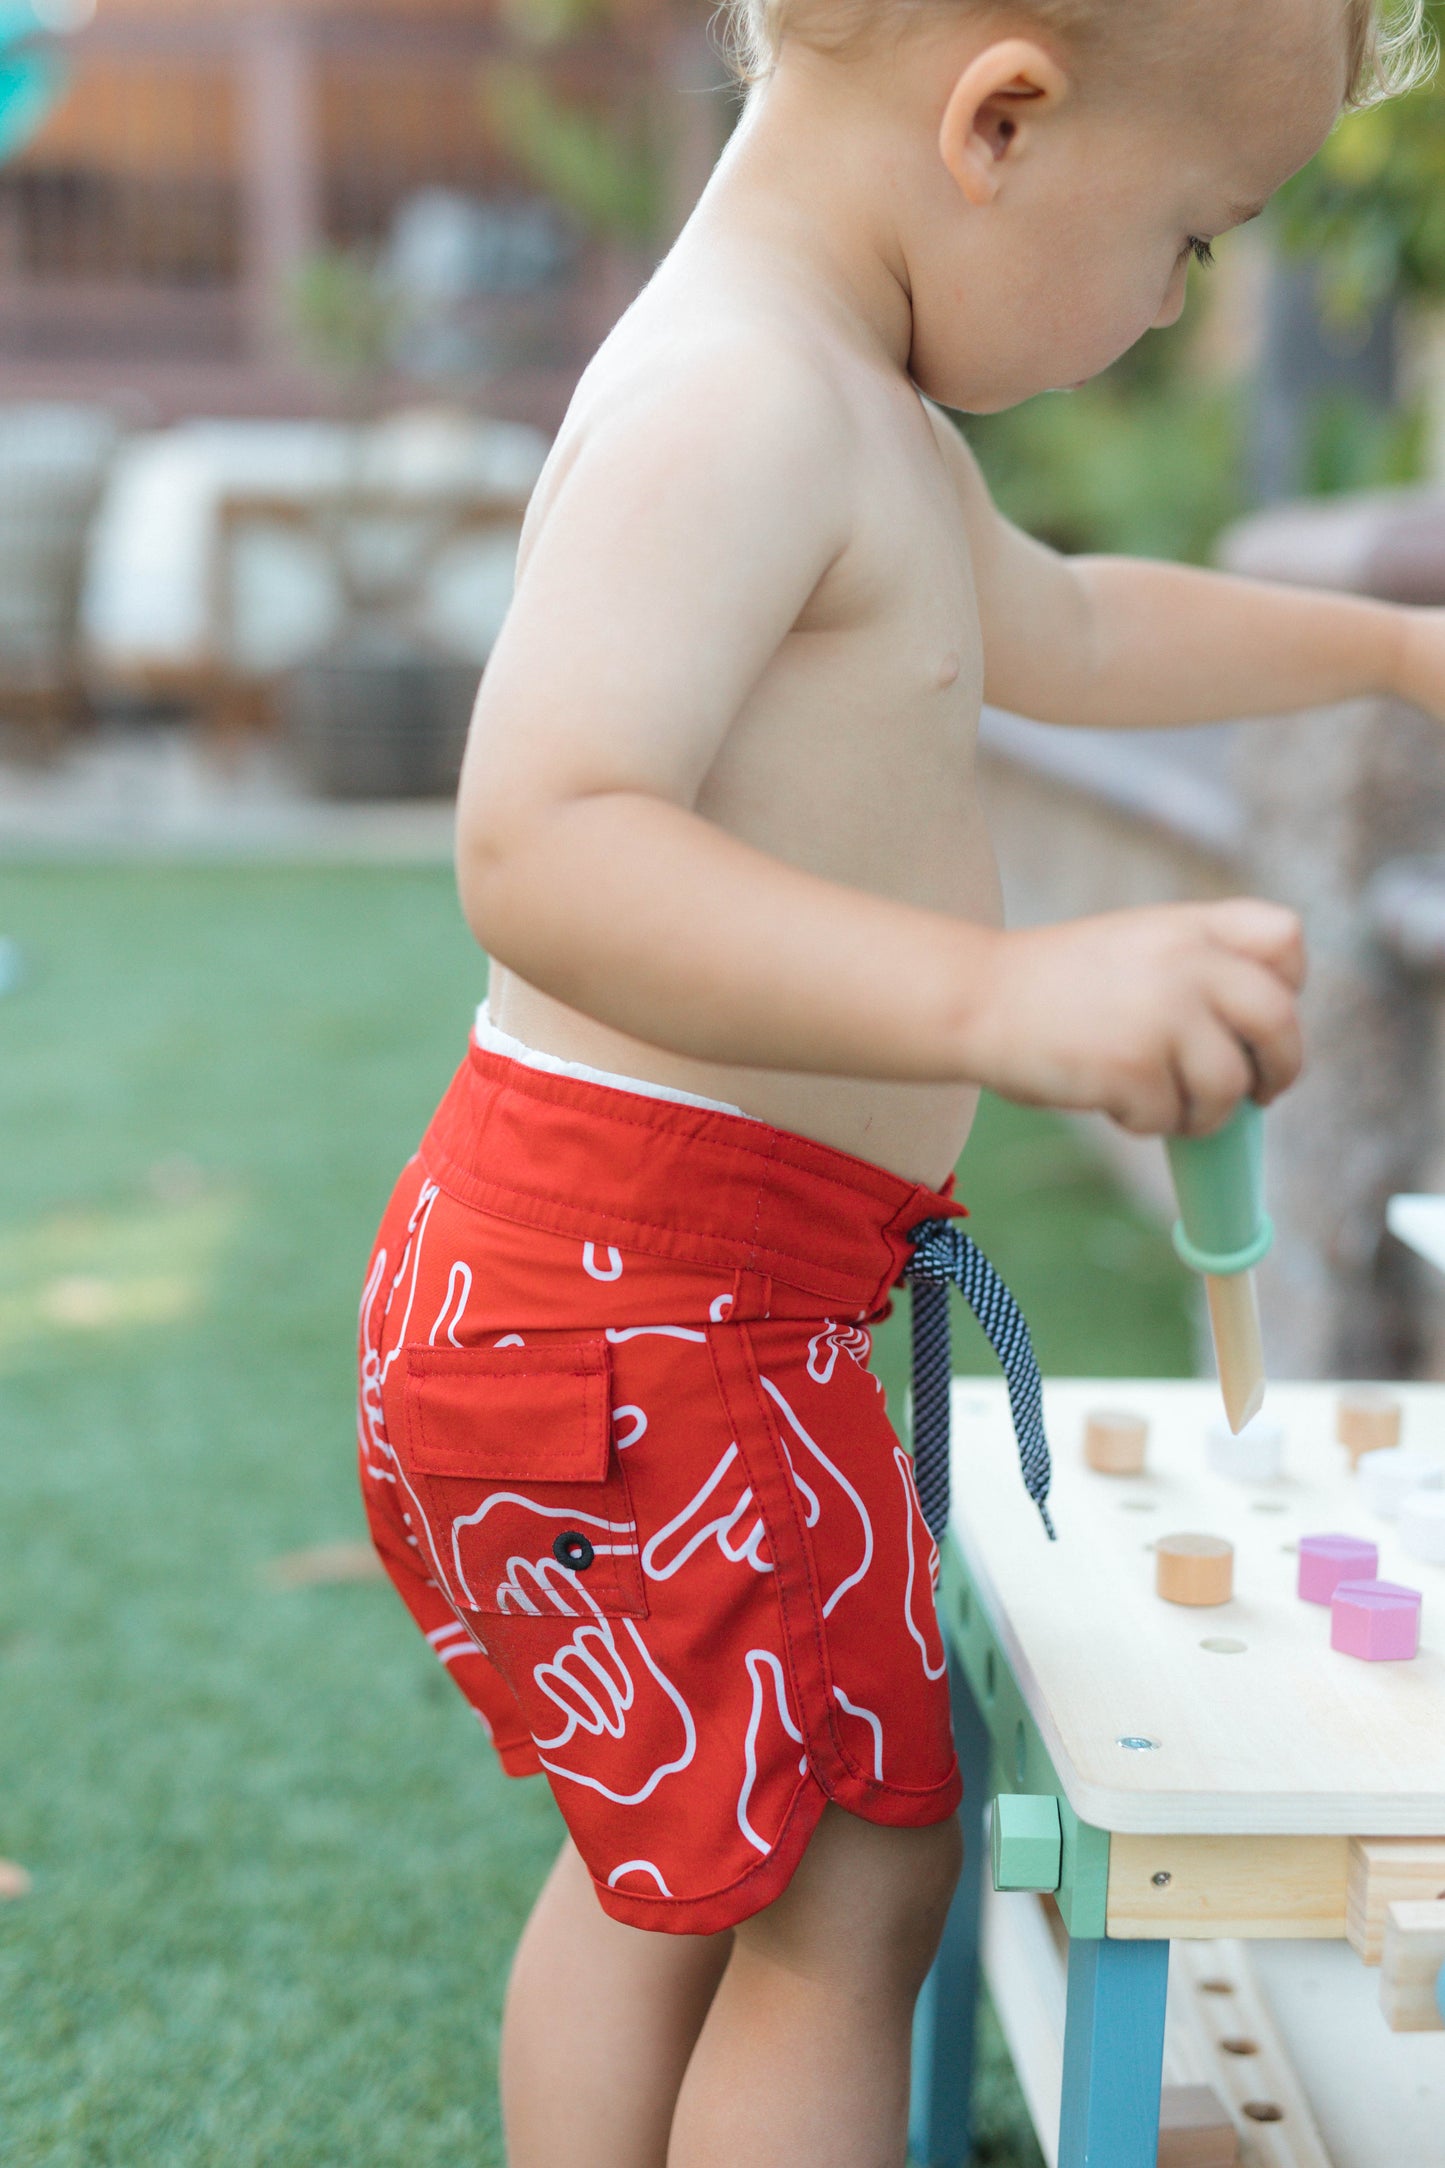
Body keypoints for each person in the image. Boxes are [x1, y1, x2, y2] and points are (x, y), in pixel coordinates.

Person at [358, 3, 1443, 2161]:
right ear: (1004, 119)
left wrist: (1402, 648)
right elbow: (545, 836)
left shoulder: (834, 394)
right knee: (850, 1879)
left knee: (683, 1859)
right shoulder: (741, 400)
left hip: (615, 1299)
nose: (1170, 304)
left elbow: (1078, 634)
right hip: (640, 1309)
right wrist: (998, 996)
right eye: (1193, 240)